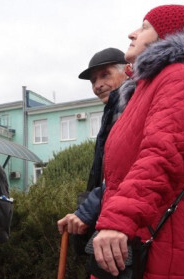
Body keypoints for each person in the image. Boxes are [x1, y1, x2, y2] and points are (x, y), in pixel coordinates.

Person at [84, 4, 184, 279]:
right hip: (138, 239)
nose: (132, 33)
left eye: (144, 26)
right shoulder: (150, 85)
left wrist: (117, 221)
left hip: (160, 245)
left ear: (168, 36)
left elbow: (161, 157)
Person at [58, 48, 129, 243]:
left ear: (128, 71)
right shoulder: (112, 108)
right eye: (93, 81)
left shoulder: (128, 103)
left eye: (105, 75)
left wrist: (88, 210)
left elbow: (123, 170)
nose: (98, 85)